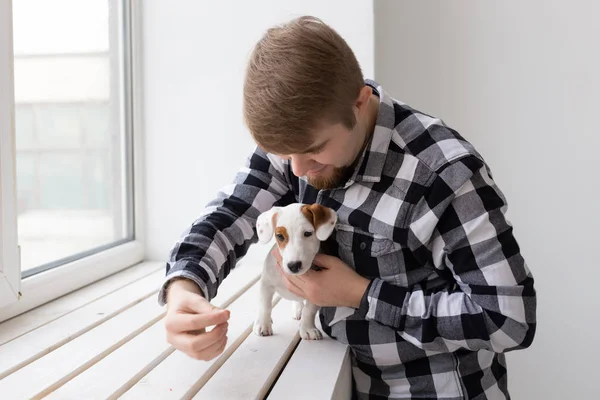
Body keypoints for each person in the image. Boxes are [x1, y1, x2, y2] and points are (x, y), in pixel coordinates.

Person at [159, 15, 536, 399]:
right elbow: (230, 213)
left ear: (359, 103)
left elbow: (508, 319)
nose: (298, 171)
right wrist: (184, 287)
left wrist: (360, 294)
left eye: (314, 151)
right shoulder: (297, 143)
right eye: (283, 154)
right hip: (335, 379)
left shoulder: (445, 175)